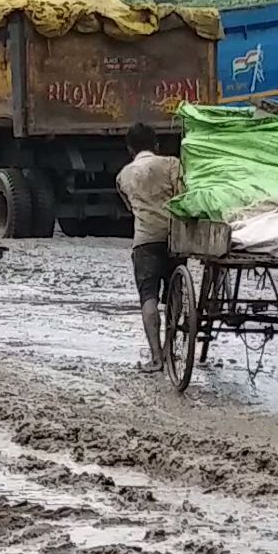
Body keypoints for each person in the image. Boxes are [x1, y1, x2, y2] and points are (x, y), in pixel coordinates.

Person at [115, 123, 182, 373]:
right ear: (156, 145)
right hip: (175, 238)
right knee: (175, 294)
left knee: (148, 297)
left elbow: (129, 207)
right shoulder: (171, 164)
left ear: (130, 148)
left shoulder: (123, 175)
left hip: (144, 241)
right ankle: (170, 348)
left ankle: (156, 358)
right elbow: (182, 195)